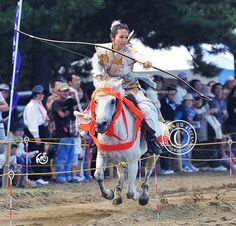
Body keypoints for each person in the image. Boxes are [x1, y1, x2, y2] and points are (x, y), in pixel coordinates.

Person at [92, 20, 162, 155]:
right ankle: (94, 140)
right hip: (109, 89)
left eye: (126, 37)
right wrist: (99, 78)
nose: (125, 40)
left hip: (130, 89)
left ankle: (150, 139)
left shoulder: (130, 50)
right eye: (121, 37)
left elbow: (138, 56)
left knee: (147, 110)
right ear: (113, 38)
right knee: (94, 111)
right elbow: (97, 65)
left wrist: (144, 62)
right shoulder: (102, 50)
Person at [23, 84, 50, 184]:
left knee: (40, 153)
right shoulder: (31, 106)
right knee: (34, 153)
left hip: (41, 129)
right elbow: (32, 122)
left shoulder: (39, 104)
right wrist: (36, 136)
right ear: (34, 94)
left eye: (42, 93)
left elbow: (41, 118)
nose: (41, 95)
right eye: (39, 93)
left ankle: (38, 175)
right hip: (34, 131)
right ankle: (34, 177)